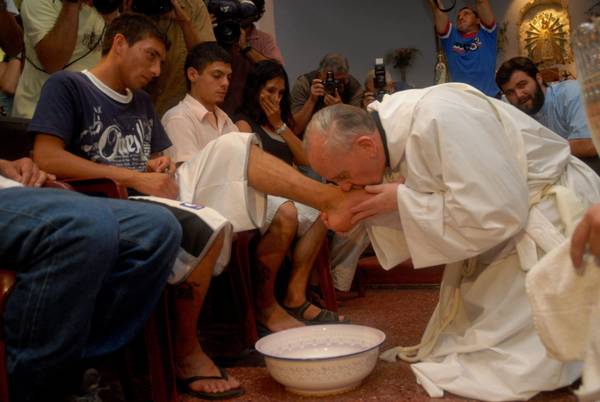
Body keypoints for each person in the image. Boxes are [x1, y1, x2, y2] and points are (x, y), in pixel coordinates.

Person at [301, 83, 600, 400]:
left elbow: (499, 211)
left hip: (548, 210)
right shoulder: (385, 132)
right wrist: (366, 211)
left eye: (342, 177)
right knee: (465, 343)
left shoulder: (441, 119)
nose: (345, 187)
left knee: (511, 362)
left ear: (365, 145)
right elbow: (427, 200)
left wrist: (400, 201)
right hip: (503, 222)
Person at [30, 14, 245, 400]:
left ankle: (173, 343)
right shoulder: (70, 86)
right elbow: (47, 158)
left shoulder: (143, 102)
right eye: (150, 56)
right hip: (92, 202)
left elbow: (152, 158)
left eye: (161, 61)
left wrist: (152, 165)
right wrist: (132, 177)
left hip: (142, 200)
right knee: (205, 227)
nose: (156, 69)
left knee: (214, 221)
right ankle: (184, 350)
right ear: (118, 44)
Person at [0, 157, 182, 401]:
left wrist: (6, 164)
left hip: (12, 189)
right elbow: (47, 154)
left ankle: (75, 368)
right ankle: (38, 387)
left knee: (158, 227)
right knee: (84, 226)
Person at [235, 59, 346, 330]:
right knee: (292, 211)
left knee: (326, 210)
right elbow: (249, 167)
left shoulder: (279, 124)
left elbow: (306, 159)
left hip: (290, 194)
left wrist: (280, 125)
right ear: (256, 89)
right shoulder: (244, 123)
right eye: (270, 91)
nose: (275, 97)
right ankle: (268, 304)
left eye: (281, 93)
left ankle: (296, 294)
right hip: (263, 195)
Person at [11, 0, 119, 119]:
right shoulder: (38, 2)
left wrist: (111, 17)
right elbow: (53, 63)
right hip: (42, 115)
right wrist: (71, 4)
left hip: (88, 114)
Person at [496, 56, 597, 161]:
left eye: (522, 85)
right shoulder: (510, 110)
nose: (519, 95)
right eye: (510, 92)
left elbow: (590, 144)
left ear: (538, 79)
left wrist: (539, 152)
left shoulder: (571, 93)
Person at [161, 42, 237, 165]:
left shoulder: (226, 119)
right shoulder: (178, 119)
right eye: (217, 76)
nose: (225, 83)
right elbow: (189, 177)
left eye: (228, 77)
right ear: (192, 75)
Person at [137, 0, 217, 116]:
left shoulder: (194, 6)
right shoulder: (133, 6)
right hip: (136, 103)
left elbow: (207, 60)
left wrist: (184, 22)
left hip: (175, 104)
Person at [427, 0, 500, 97]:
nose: (461, 17)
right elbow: (437, 9)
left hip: (490, 98)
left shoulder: (487, 34)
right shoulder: (450, 38)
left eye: (466, 14)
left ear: (478, 20)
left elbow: (481, 2)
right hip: (463, 102)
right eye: (458, 17)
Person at [290, 52, 363, 136]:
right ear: (320, 74)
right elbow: (295, 129)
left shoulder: (353, 87)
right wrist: (311, 100)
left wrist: (341, 109)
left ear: (347, 76)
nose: (334, 86)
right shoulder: (304, 84)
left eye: (341, 81)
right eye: (330, 81)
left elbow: (358, 129)